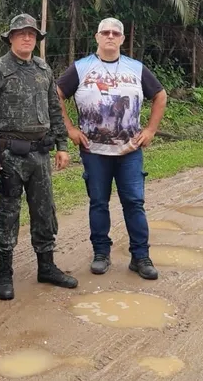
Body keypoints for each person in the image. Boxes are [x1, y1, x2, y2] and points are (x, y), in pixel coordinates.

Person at [0, 13, 78, 301]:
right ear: (11, 38)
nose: (27, 38)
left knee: (44, 212)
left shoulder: (43, 69)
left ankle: (47, 266)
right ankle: (4, 274)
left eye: (32, 34)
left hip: (40, 155)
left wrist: (62, 146)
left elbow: (55, 110)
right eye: (21, 34)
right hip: (9, 156)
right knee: (7, 215)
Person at [55, 17, 167, 280]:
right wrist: (70, 129)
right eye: (105, 32)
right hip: (94, 151)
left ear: (122, 39)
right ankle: (101, 254)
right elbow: (56, 93)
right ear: (96, 37)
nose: (110, 36)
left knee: (134, 203)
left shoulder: (136, 68)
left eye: (115, 33)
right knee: (98, 203)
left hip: (129, 151)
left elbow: (160, 95)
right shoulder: (81, 68)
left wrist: (150, 130)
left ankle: (141, 257)